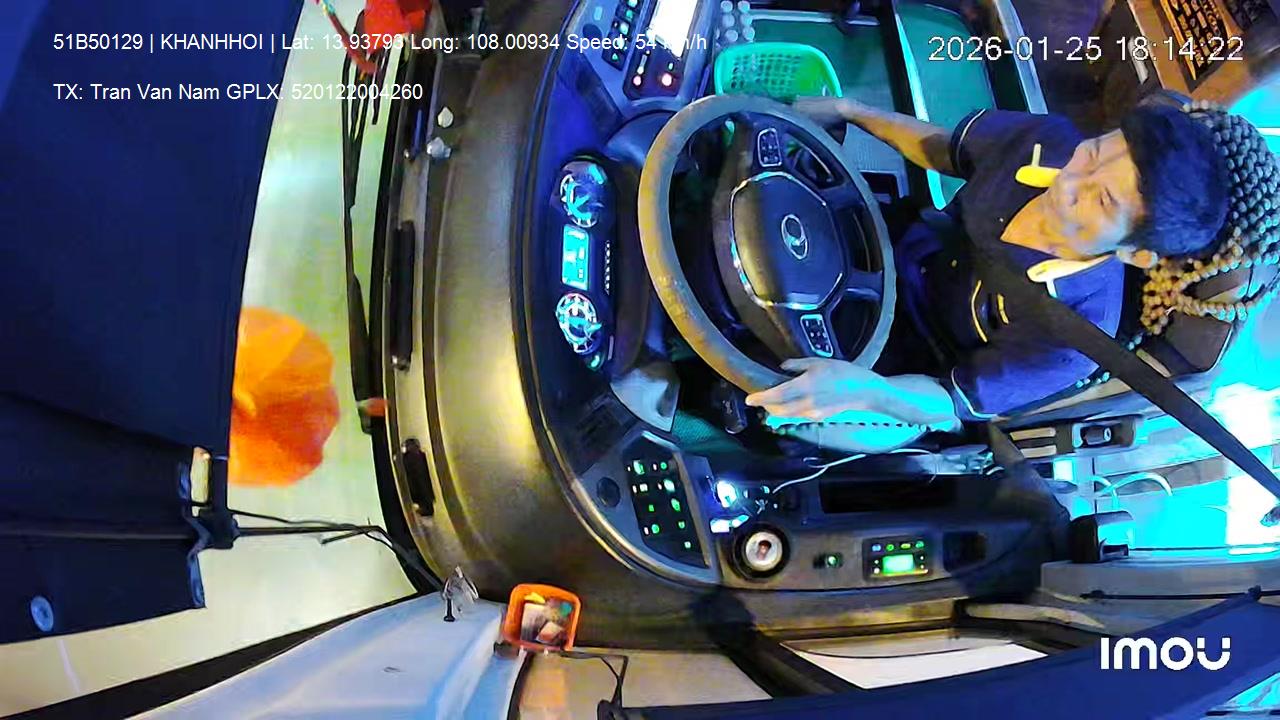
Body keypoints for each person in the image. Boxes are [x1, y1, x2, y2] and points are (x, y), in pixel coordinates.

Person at [745, 97, 1280, 431]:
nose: (1070, 181)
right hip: (886, 242)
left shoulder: (1075, 336)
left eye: (1101, 200)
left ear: (1135, 253)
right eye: (1095, 153)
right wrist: (849, 111)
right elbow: (946, 149)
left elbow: (952, 400)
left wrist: (863, 390)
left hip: (894, 352)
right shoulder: (1049, 142)